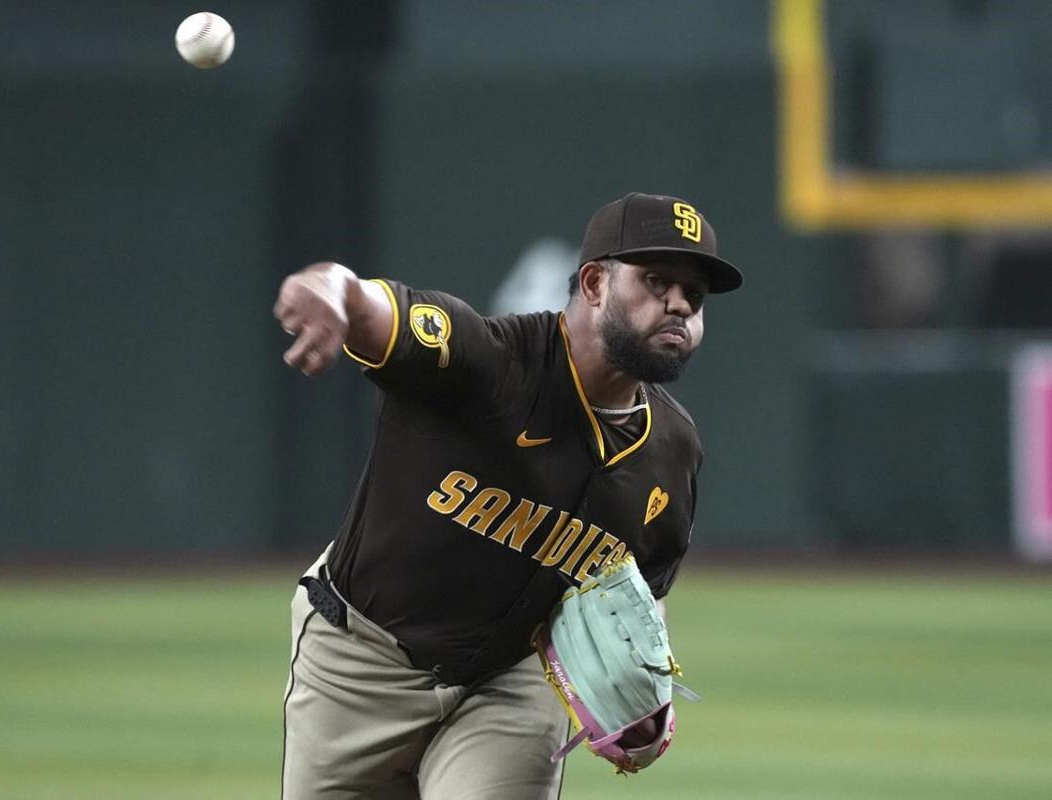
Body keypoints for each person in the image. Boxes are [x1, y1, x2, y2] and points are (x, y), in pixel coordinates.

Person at [275, 193, 743, 799]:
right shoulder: (485, 362)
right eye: (656, 280)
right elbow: (369, 305)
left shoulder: (673, 450)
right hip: (361, 661)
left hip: (510, 682)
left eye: (694, 295)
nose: (678, 302)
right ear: (595, 282)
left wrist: (646, 680)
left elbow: (642, 590)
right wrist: (331, 289)